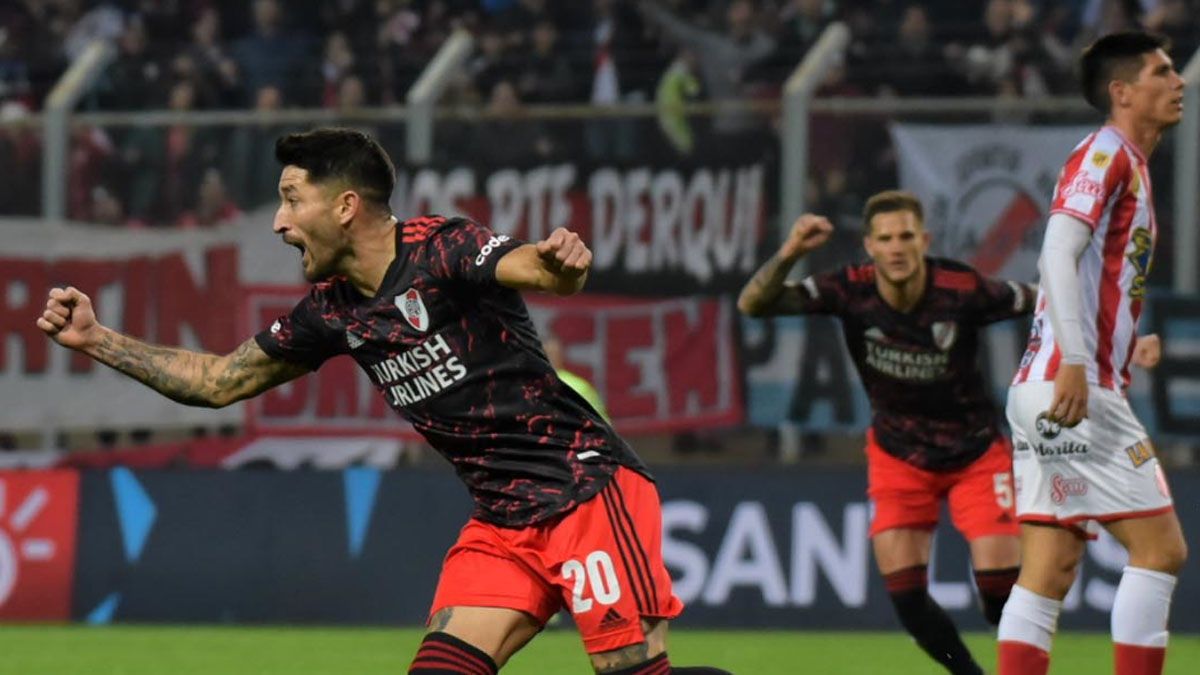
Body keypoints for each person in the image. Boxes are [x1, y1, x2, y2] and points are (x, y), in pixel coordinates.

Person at [37, 128, 730, 675]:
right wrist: (96, 339)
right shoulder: (330, 311)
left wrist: (561, 264)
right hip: (503, 522)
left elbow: (533, 267)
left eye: (291, 199)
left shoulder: (442, 248)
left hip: (584, 490)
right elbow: (218, 381)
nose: (279, 222)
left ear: (345, 206)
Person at [738, 191, 1037, 675]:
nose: (896, 248)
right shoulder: (849, 289)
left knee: (998, 587)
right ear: (869, 246)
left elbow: (1047, 302)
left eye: (905, 236)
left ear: (925, 240)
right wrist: (791, 252)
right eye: (885, 239)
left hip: (976, 452)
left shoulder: (962, 288)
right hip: (899, 455)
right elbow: (753, 304)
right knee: (907, 598)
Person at [998, 32, 1188, 675]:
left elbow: (1092, 278)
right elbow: (1054, 250)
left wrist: (1129, 342)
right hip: (1072, 387)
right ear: (1122, 91)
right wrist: (1078, 361)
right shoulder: (1106, 153)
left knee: (1050, 567)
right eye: (1162, 72)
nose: (1178, 81)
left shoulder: (1126, 160)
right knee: (1161, 551)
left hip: (1038, 388)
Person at [542, 334, 610, 421]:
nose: (551, 356)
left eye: (552, 353)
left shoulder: (579, 386)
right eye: (549, 353)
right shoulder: (579, 385)